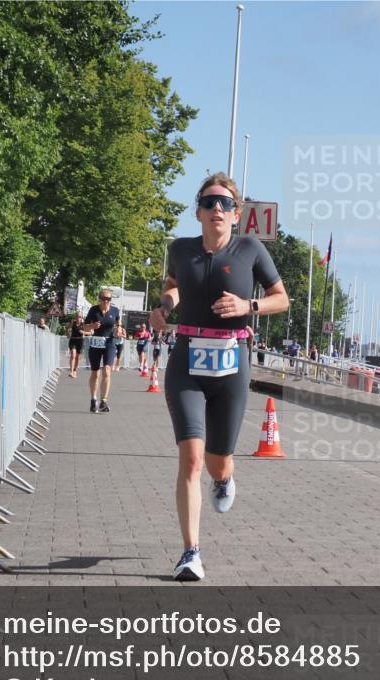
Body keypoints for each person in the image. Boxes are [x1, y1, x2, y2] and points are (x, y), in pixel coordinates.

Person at [149, 172, 288, 582]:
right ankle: (190, 552)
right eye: (209, 203)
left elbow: (282, 298)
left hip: (231, 363)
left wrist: (250, 305)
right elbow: (173, 285)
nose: (216, 210)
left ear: (237, 213)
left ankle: (225, 480)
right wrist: (164, 307)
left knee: (216, 462)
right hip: (187, 361)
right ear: (197, 212)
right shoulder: (180, 249)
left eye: (224, 204)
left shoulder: (251, 249)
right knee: (191, 457)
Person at [83, 289, 120, 413]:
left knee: (107, 371)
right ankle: (93, 399)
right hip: (95, 343)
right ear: (99, 298)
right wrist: (92, 327)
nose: (106, 301)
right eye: (103, 298)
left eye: (108, 299)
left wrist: (119, 331)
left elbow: (119, 325)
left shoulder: (115, 311)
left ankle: (103, 401)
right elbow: (84, 326)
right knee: (95, 373)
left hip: (109, 343)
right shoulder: (93, 310)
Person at [67, 313, 85, 377]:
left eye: (80, 317)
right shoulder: (73, 323)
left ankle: (75, 370)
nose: (78, 318)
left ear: (81, 318)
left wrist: (84, 333)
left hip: (80, 341)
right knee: (73, 355)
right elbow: (68, 328)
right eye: (77, 317)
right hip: (73, 340)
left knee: (77, 357)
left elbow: (88, 331)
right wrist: (68, 334)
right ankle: (71, 371)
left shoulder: (83, 324)